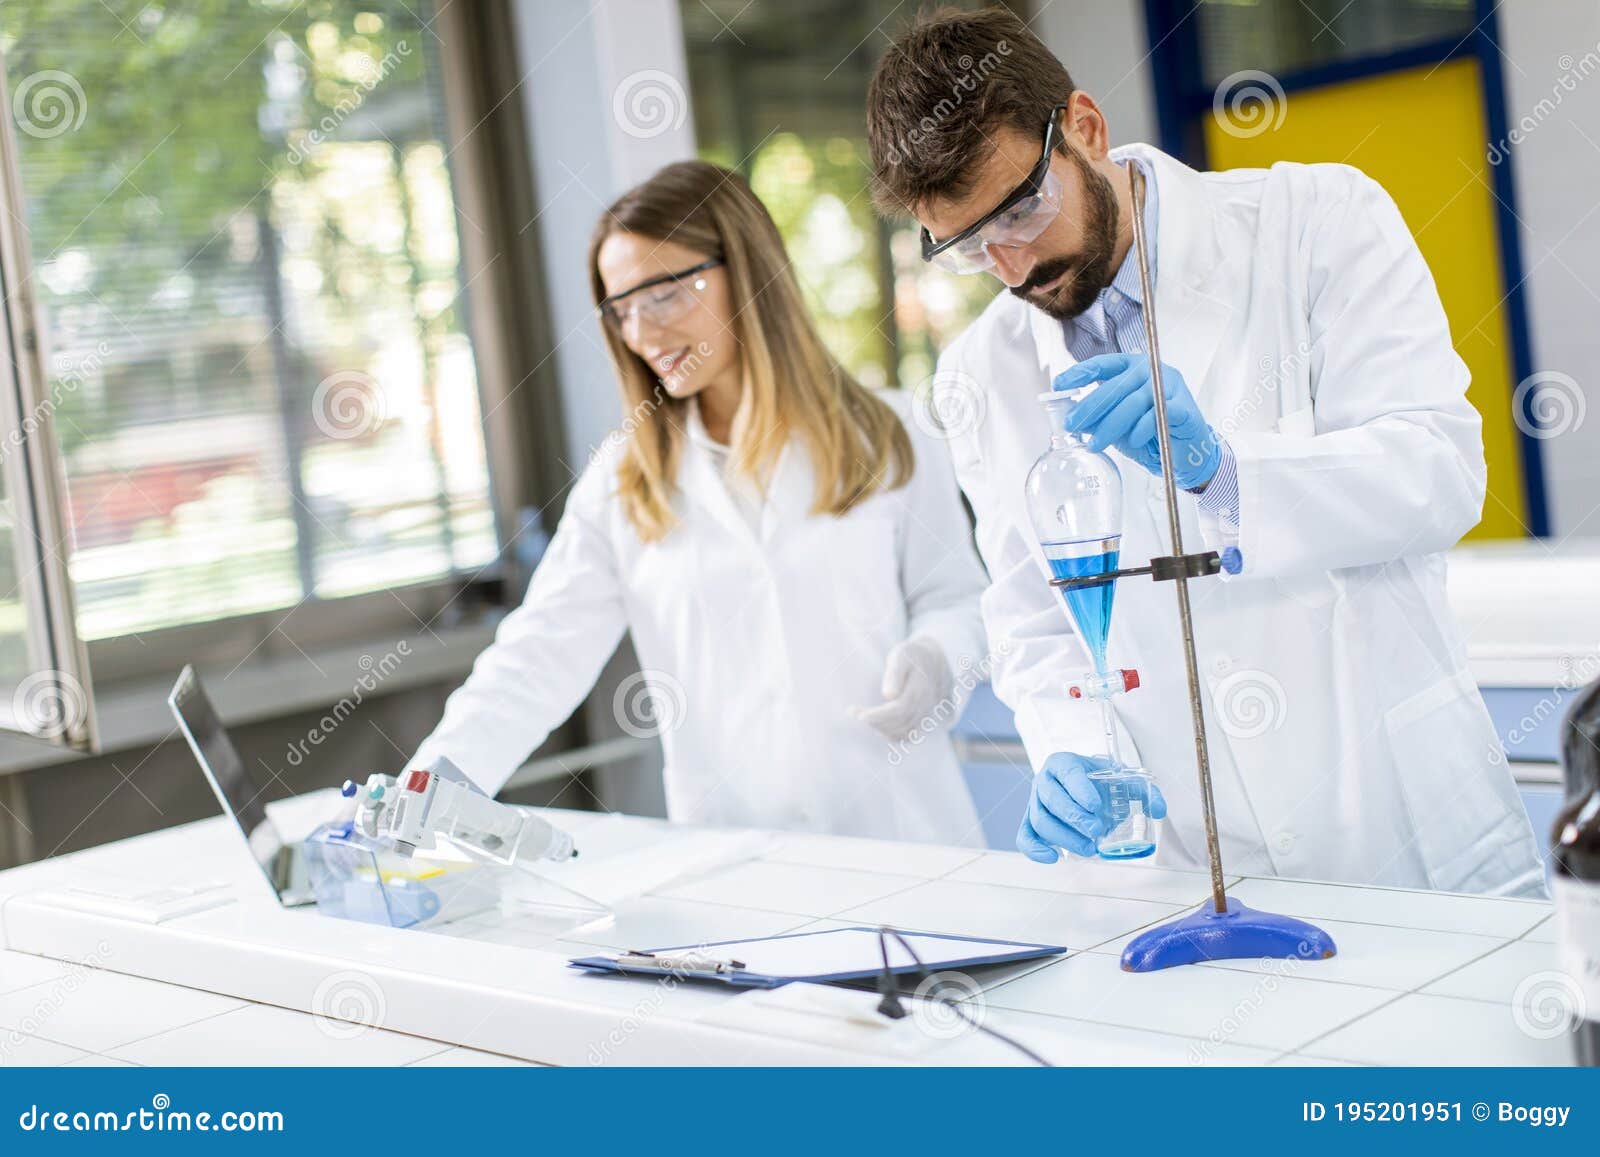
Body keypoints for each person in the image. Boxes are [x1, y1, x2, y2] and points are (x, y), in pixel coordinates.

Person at [864, 8, 1542, 895]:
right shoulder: (983, 372)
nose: (1015, 264)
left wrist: (1223, 471)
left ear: (1085, 128)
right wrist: (1069, 746)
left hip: (1401, 829)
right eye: (968, 246)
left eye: (1023, 209)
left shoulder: (1314, 223)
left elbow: (1441, 472)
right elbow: (1035, 615)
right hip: (1192, 864)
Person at [409, 160, 990, 846]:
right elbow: (539, 653)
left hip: (907, 844)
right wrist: (426, 788)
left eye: (662, 294)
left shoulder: (893, 434)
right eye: (620, 310)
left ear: (746, 270)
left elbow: (960, 598)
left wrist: (939, 656)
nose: (642, 334)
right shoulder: (626, 479)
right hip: (737, 867)